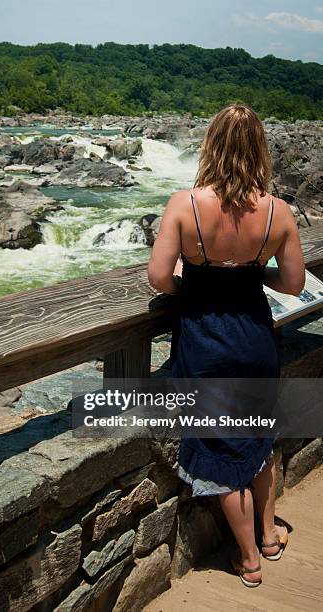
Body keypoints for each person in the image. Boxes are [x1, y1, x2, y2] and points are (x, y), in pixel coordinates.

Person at [148, 104, 305, 588]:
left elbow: (158, 279)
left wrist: (193, 288)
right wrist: (254, 274)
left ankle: (248, 559)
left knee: (223, 450)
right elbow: (295, 284)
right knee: (256, 439)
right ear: (259, 148)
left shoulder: (185, 204)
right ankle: (269, 535)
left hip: (205, 343)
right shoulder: (278, 212)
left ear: (210, 145)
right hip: (255, 340)